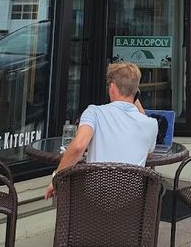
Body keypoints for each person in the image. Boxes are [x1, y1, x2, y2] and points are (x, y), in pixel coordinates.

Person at [44, 62, 158, 199]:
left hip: (94, 202)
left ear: (111, 87)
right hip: (132, 206)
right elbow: (148, 153)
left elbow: (79, 145)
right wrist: (134, 96)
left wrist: (56, 178)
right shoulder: (151, 124)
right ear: (136, 93)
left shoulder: (94, 112)